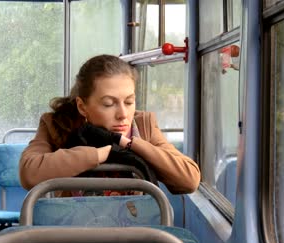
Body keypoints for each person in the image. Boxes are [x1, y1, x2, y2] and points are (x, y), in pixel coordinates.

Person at [19, 54, 201, 195]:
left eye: (129, 102)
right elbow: (29, 172)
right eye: (108, 104)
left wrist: (129, 144)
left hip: (133, 231)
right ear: (82, 107)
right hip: (75, 231)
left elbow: (189, 179)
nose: (123, 114)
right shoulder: (56, 124)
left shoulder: (143, 126)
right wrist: (100, 154)